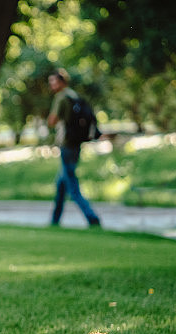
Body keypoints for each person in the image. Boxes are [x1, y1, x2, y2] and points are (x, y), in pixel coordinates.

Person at [47, 68, 101, 227]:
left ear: (62, 82)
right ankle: (54, 221)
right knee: (61, 184)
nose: (52, 86)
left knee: (72, 186)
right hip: (77, 144)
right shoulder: (74, 95)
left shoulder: (61, 98)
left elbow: (53, 120)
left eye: (54, 82)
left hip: (67, 145)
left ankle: (92, 217)